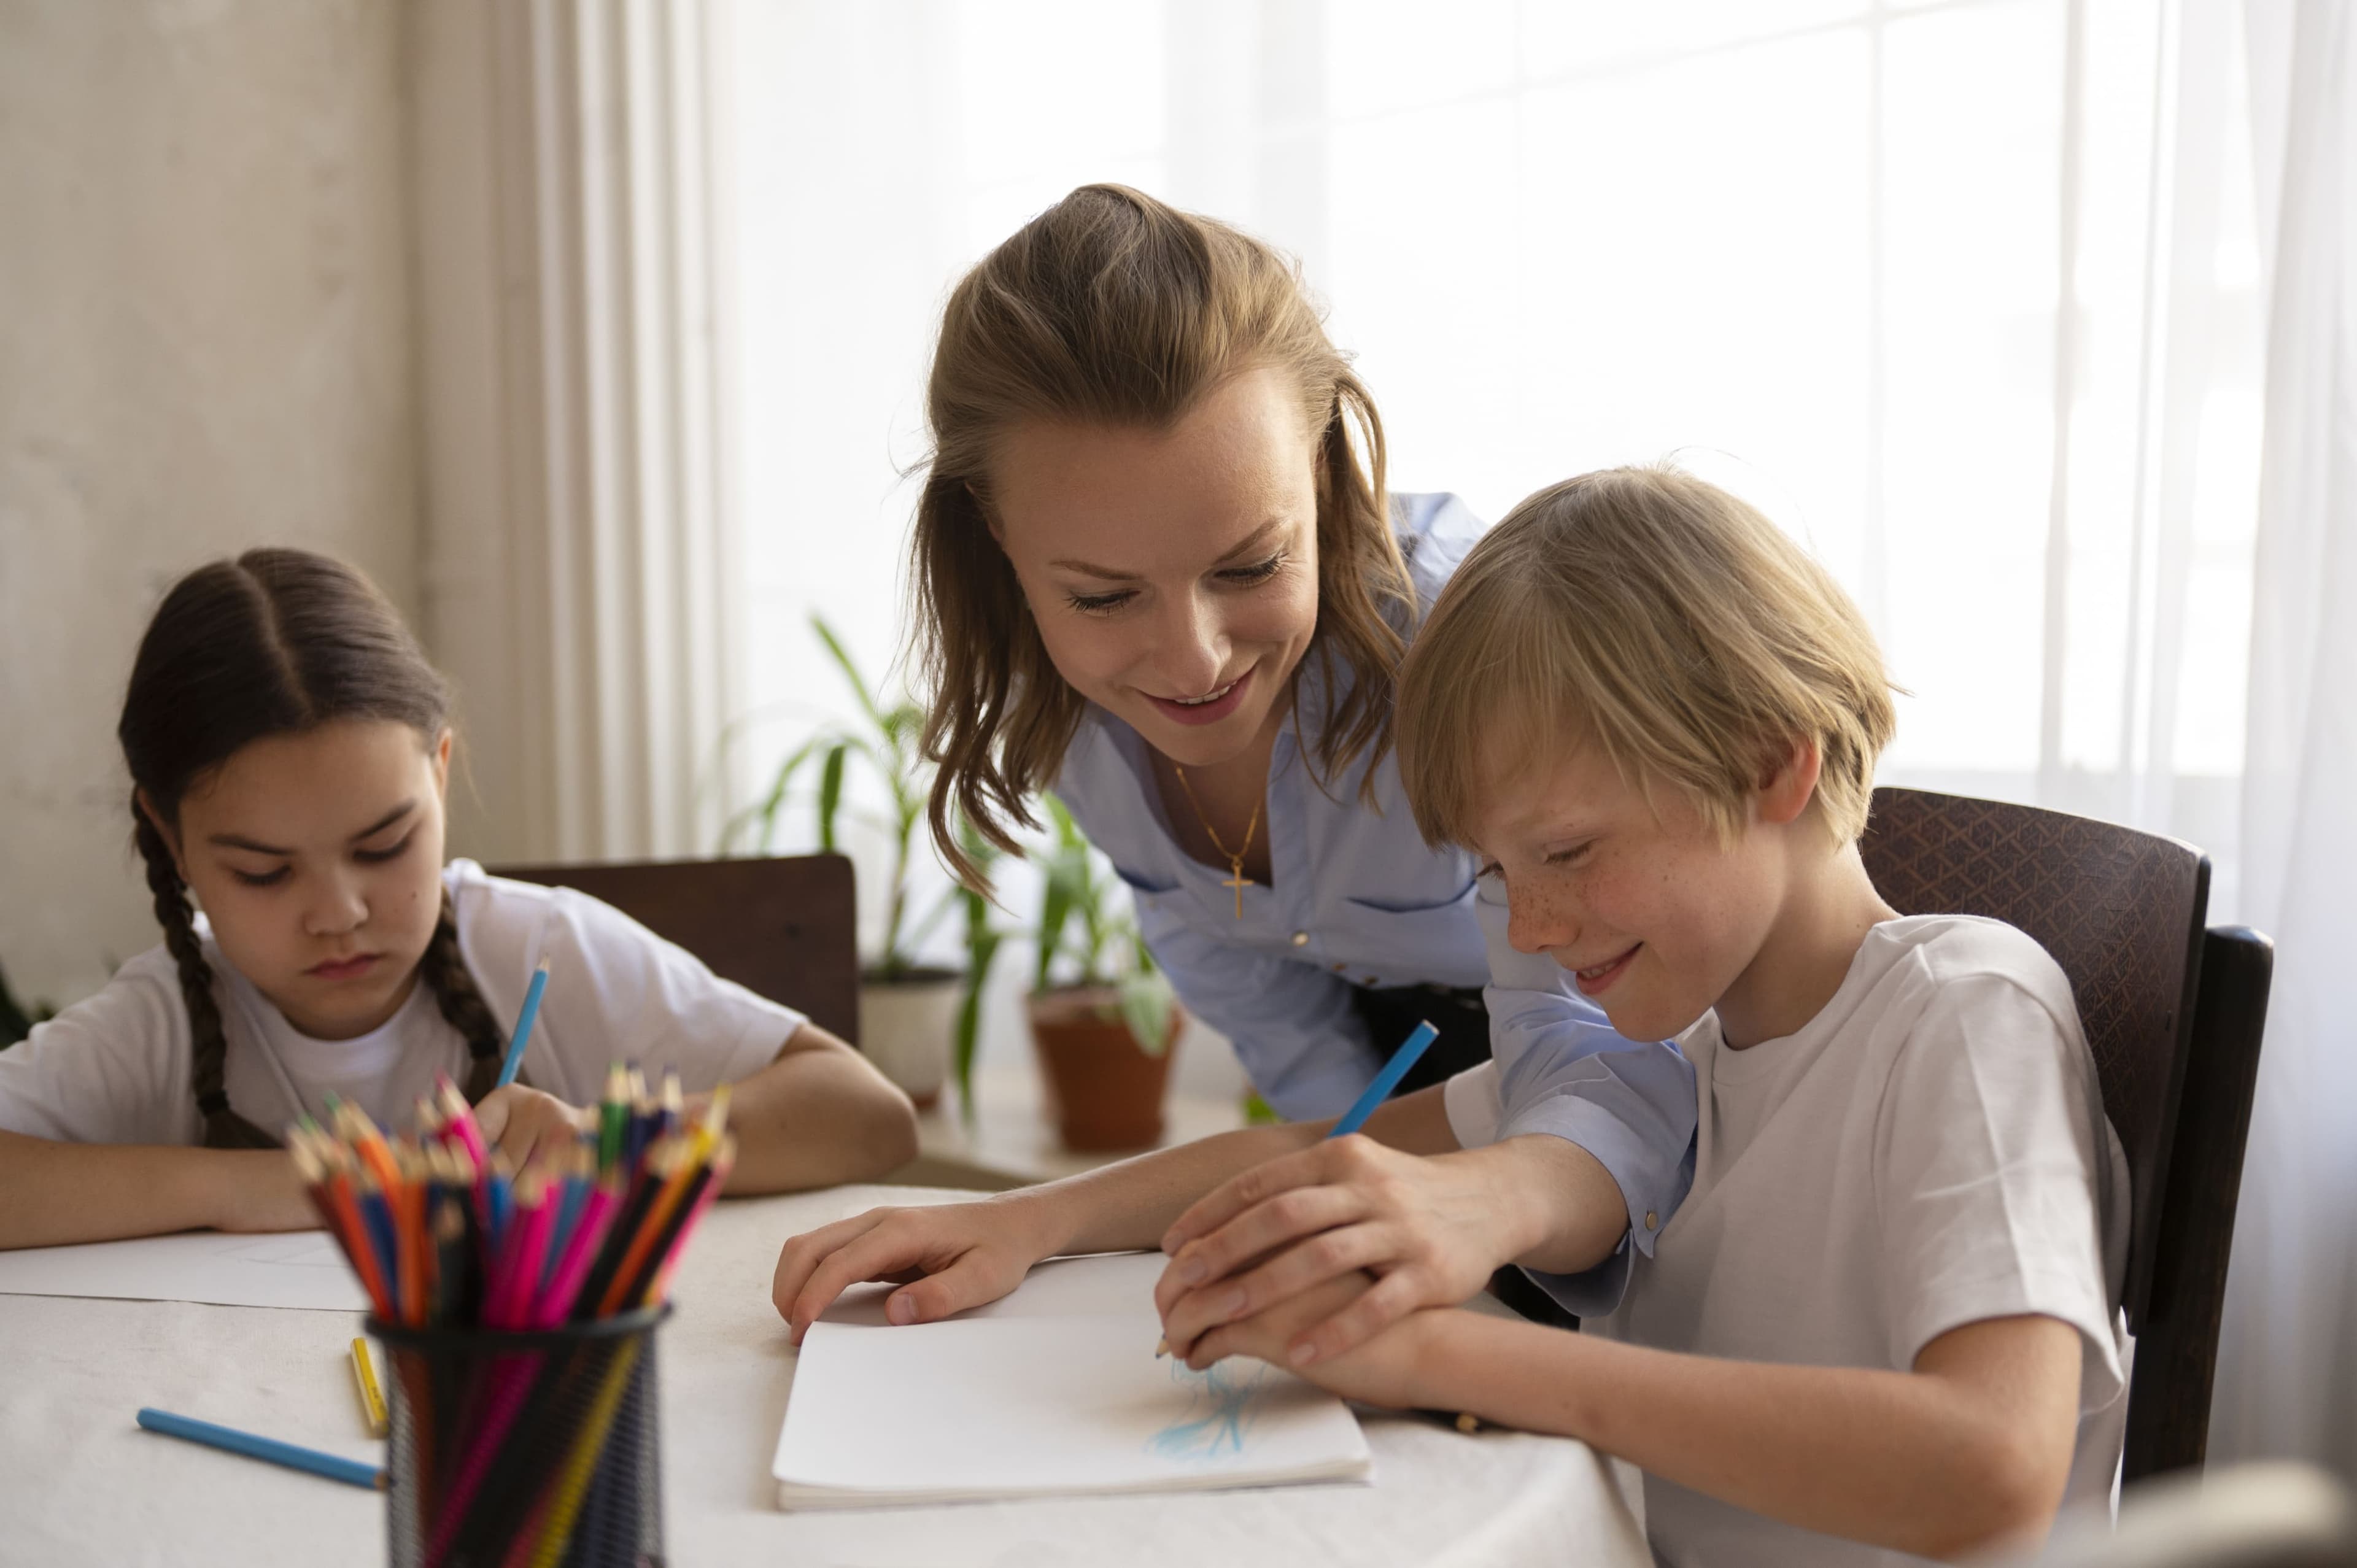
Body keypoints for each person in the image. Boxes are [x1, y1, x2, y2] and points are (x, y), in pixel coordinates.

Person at [1155, 468, 2130, 1566]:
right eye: (1496, 873)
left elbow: (1993, 1470)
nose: (1529, 929)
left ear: (1771, 762)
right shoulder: (1664, 1053)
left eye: (1567, 852)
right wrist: (1031, 1225)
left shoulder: (1962, 1012)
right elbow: (1319, 1153)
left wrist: (1437, 1356)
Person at [768, 185, 1695, 1334]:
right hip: (1425, 1108)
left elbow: (1610, 1065)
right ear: (997, 535)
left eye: (1251, 567)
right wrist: (1316, 1203)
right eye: (1103, 596)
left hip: (1615, 1100)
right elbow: (1283, 1029)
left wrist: (1439, 1237)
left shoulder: (1476, 646)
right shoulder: (1062, 700)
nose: (1193, 660)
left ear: (1325, 471)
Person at [0, 548, 919, 1251]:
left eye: (383, 846)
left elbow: (866, 1115)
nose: (339, 914)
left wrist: (607, 1146)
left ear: (438, 774)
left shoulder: (541, 951)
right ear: (170, 838)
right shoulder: (165, 1020)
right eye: (265, 873)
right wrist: (254, 1188)